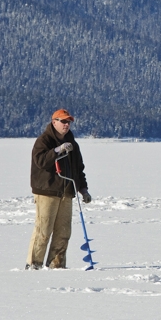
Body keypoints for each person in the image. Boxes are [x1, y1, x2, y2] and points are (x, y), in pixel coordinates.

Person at [26, 109, 91, 270]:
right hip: (46, 192)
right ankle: (34, 264)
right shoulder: (44, 141)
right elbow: (40, 161)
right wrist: (57, 150)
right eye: (63, 121)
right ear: (54, 122)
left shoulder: (73, 144)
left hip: (67, 192)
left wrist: (83, 189)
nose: (66, 125)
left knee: (63, 232)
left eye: (68, 122)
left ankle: (57, 265)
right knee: (44, 229)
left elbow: (78, 168)